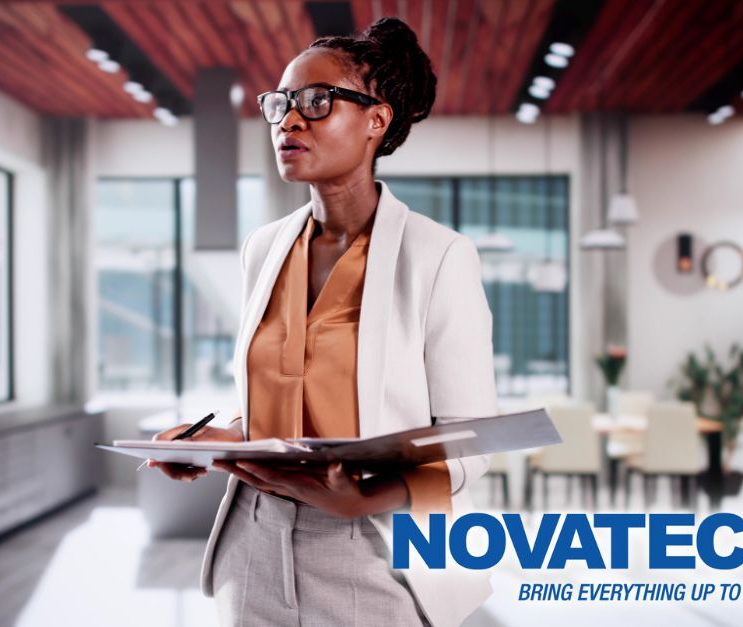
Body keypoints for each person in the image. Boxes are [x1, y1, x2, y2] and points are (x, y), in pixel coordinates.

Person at [146, 16, 498, 627]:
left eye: (316, 101)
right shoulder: (264, 247)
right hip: (251, 546)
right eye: (280, 103)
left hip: (373, 554)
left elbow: (470, 442)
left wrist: (359, 498)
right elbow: (274, 398)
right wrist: (218, 439)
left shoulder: (438, 256)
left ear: (376, 121)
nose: (289, 120)